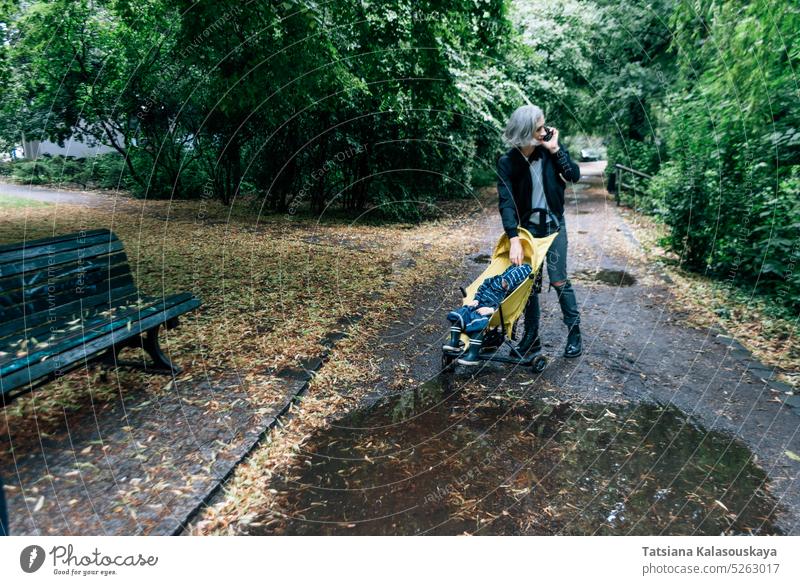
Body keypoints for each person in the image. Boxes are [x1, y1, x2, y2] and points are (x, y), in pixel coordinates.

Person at [496, 104, 582, 359]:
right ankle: (531, 337)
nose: (545, 131)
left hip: (554, 225)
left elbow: (573, 175)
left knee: (558, 279)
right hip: (527, 231)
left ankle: (574, 331)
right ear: (525, 132)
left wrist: (555, 148)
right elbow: (507, 202)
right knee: (529, 283)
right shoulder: (507, 163)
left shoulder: (550, 152)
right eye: (539, 128)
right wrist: (513, 238)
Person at [443, 263, 532, 365]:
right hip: (477, 305)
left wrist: (491, 309)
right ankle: (453, 343)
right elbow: (482, 288)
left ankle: (473, 355)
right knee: (460, 315)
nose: (504, 285)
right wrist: (476, 299)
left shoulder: (507, 293)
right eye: (505, 281)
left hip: (487, 311)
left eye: (508, 284)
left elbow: (503, 304)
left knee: (480, 324)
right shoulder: (493, 279)